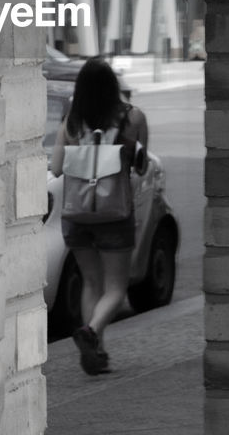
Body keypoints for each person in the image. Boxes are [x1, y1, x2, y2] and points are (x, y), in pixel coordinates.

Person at [49, 57, 149, 375]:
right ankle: (91, 334)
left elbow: (55, 168)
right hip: (114, 213)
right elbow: (140, 166)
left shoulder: (71, 122)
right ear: (113, 86)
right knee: (117, 289)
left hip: (76, 215)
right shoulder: (132, 118)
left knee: (91, 282)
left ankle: (95, 354)